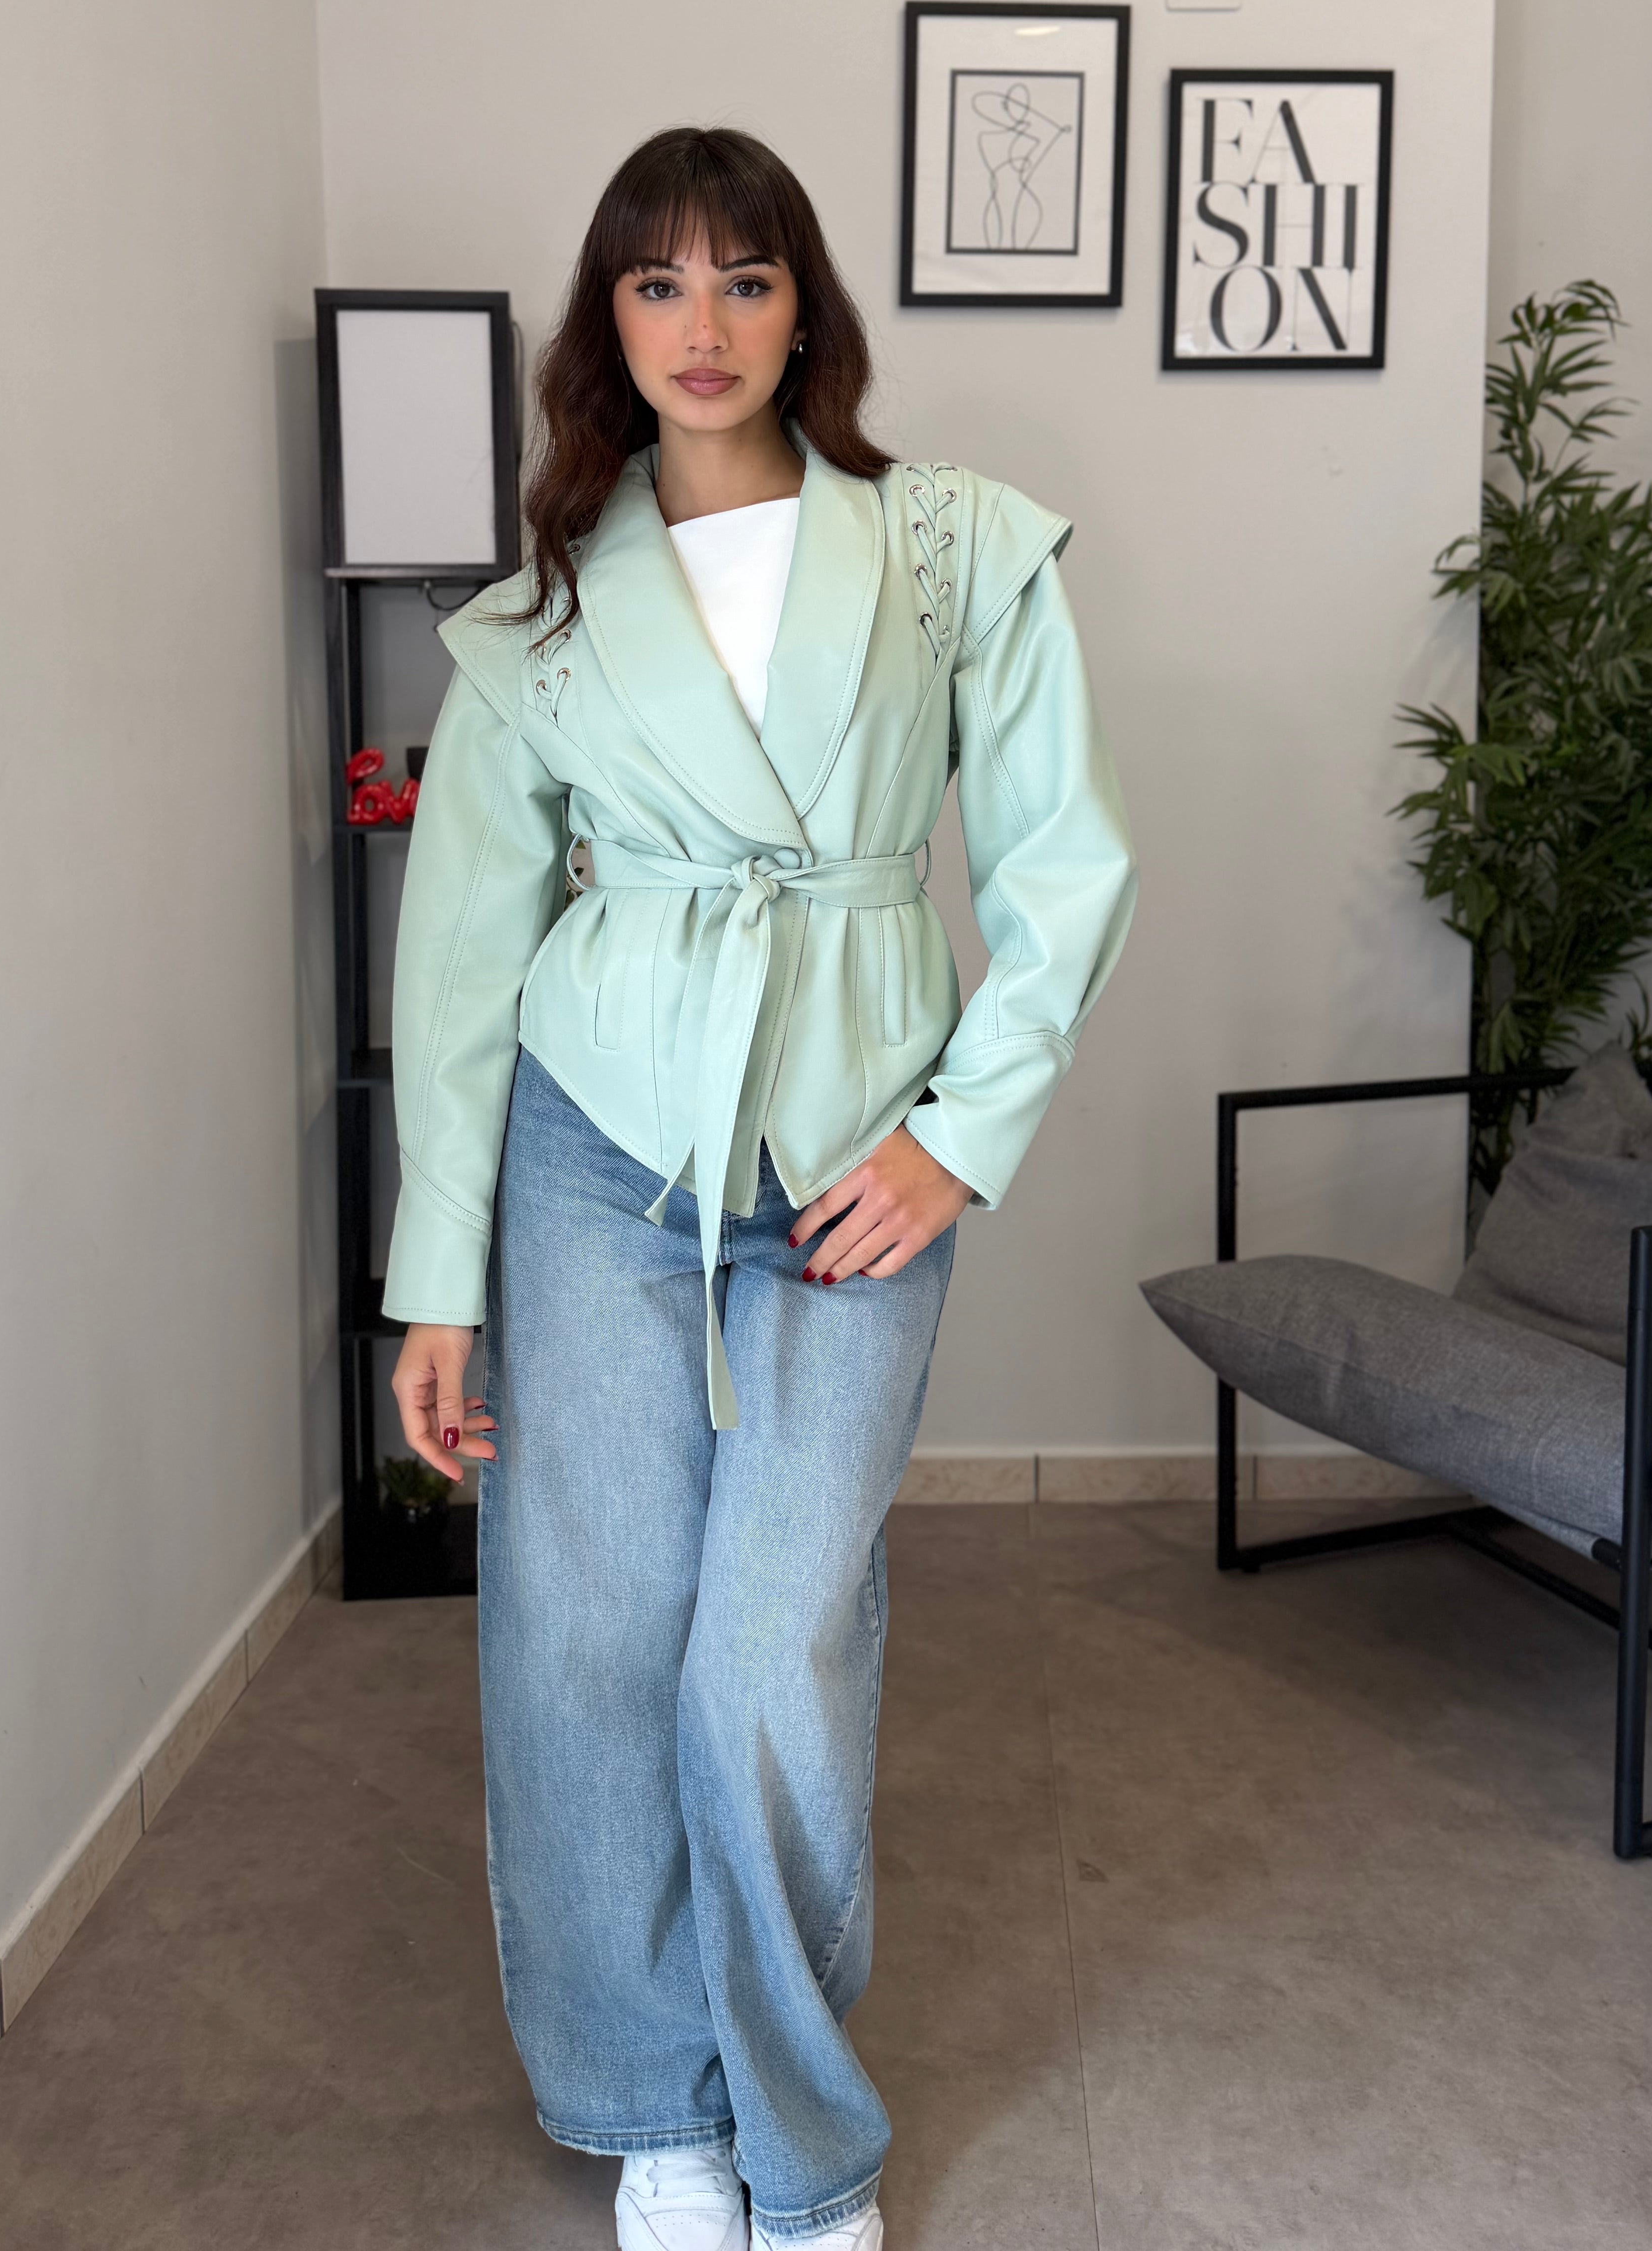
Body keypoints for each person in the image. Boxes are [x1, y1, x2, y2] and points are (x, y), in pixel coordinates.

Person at [383, 126, 1136, 2251]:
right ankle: (658, 2109)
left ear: (807, 307)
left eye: (743, 277)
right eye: (656, 284)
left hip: (852, 1154)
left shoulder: (952, 548)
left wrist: (955, 1139)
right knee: (591, 1639)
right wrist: (438, 1280)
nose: (700, 325)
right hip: (594, 1150)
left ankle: (799, 2135)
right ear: (606, 324)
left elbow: (1068, 865)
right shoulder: (541, 611)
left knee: (772, 1650)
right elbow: (462, 966)